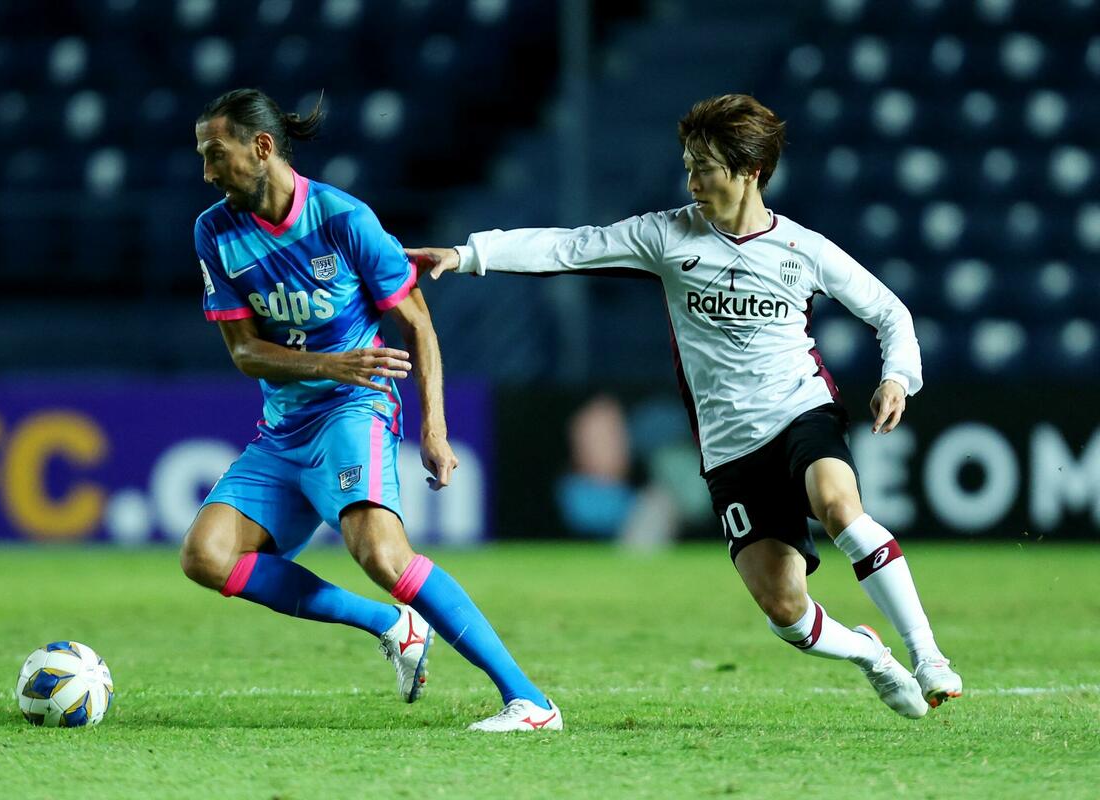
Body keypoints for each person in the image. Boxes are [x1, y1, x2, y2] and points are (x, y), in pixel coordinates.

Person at [407, 93, 962, 719]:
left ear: (750, 171)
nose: (693, 182)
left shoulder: (803, 248)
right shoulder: (667, 235)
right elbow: (572, 247)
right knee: (786, 611)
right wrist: (469, 255)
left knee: (839, 508)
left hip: (801, 411)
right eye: (689, 167)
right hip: (729, 447)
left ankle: (927, 656)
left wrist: (898, 378)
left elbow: (890, 312)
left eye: (706, 168)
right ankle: (871, 655)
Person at [179, 88, 560, 732]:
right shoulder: (214, 230)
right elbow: (244, 352)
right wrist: (330, 363)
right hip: (284, 429)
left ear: (262, 147)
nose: (207, 172)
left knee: (382, 555)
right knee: (205, 555)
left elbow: (418, 323)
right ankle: (391, 625)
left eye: (215, 154)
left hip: (355, 408)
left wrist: (435, 429)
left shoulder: (344, 220)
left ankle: (531, 703)